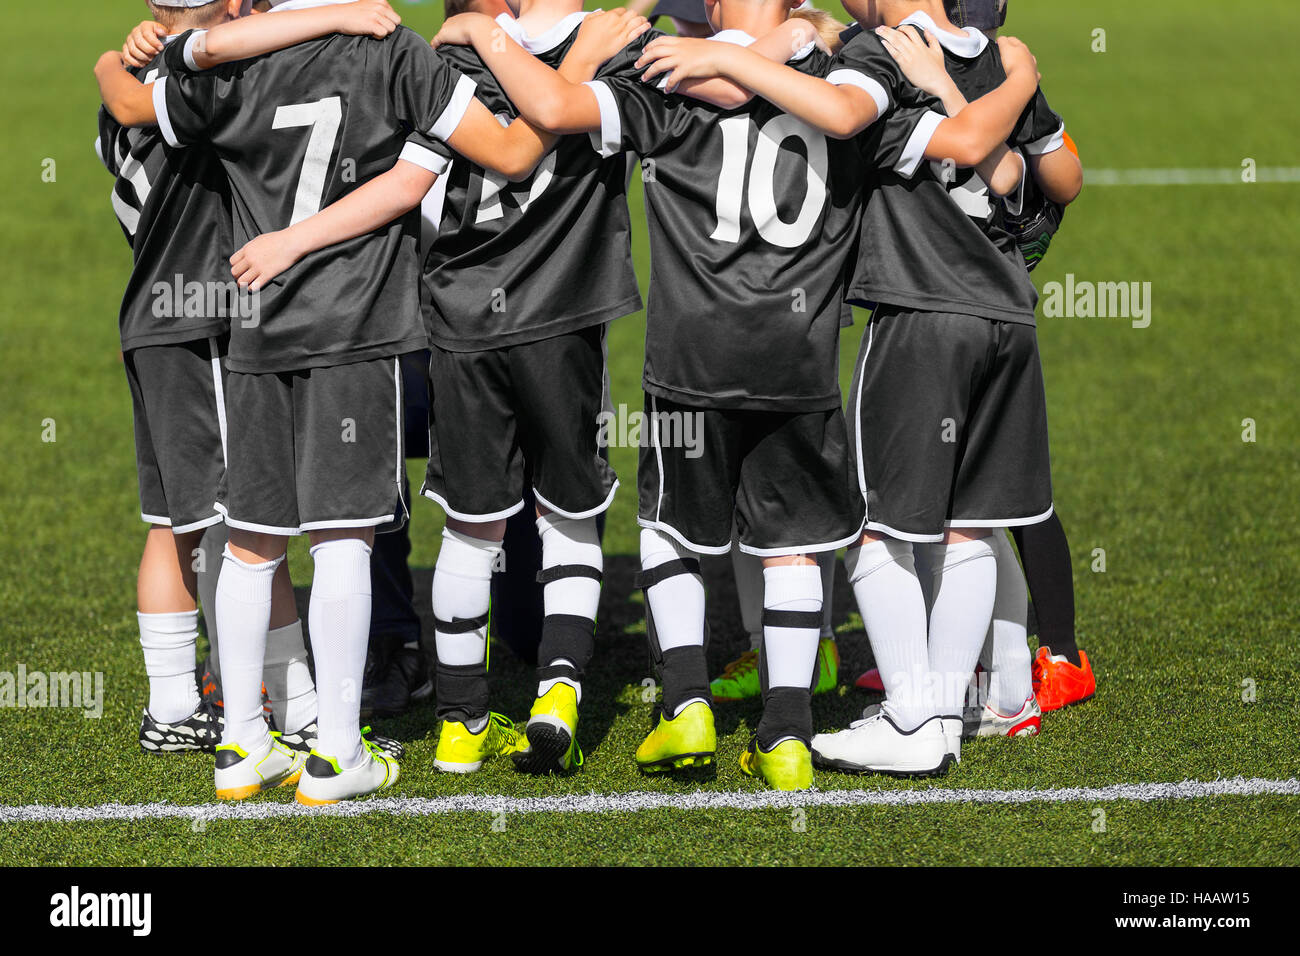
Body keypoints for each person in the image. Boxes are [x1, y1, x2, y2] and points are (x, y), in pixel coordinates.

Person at [96, 0, 559, 803]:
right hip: (355, 327)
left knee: (251, 539)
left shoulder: (229, 61)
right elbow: (514, 152)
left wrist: (147, 49)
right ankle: (338, 751)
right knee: (343, 537)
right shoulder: (395, 53)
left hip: (252, 329)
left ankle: (242, 744)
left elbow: (148, 84)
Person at [226, 6, 661, 777]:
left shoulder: (451, 55)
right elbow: (551, 123)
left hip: (458, 317)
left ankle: (459, 721)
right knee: (569, 512)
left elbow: (412, 185)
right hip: (565, 313)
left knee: (468, 524)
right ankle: (557, 692)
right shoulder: (619, 47)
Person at [637, 0, 1047, 775]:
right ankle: (871, 722)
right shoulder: (910, 63)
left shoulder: (845, 60)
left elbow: (575, 102)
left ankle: (704, 702)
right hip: (939, 323)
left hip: (789, 331)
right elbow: (1030, 174)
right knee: (952, 529)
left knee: (834, 525)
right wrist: (1019, 76)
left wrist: (727, 54)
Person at [99, 0, 407, 758]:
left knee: (176, 518)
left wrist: (111, 59)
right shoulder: (209, 80)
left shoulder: (132, 70)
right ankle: (294, 705)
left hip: (150, 319)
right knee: (247, 525)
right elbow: (172, 83)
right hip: (204, 321)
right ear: (234, 9)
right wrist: (336, 15)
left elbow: (123, 93)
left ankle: (176, 699)